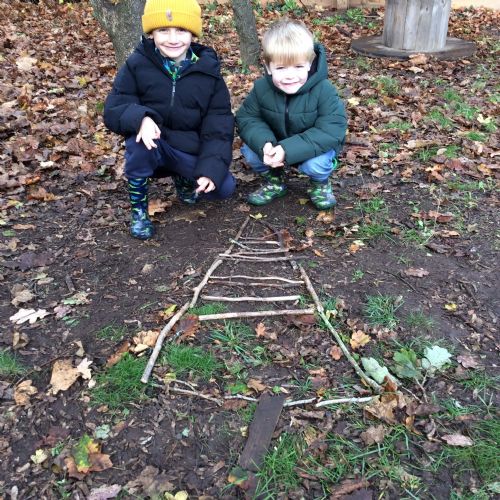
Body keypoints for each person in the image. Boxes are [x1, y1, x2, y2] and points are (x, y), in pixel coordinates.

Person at [104, 0, 235, 240]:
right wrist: (141, 118)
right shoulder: (137, 64)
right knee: (138, 141)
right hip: (154, 145)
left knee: (223, 187)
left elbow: (219, 127)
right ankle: (139, 211)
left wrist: (210, 170)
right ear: (152, 32)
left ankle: (184, 180)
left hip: (187, 148)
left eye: (181, 30)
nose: (173, 39)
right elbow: (114, 108)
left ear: (192, 33)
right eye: (163, 30)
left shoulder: (208, 72)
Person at [235, 19, 347, 210]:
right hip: (275, 144)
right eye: (281, 68)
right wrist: (265, 145)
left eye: (298, 67)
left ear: (309, 64)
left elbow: (332, 129)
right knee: (251, 152)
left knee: (316, 165)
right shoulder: (261, 88)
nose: (290, 75)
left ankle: (320, 183)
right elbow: (247, 118)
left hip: (313, 149)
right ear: (269, 67)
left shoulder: (324, 90)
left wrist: (287, 149)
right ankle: (275, 181)